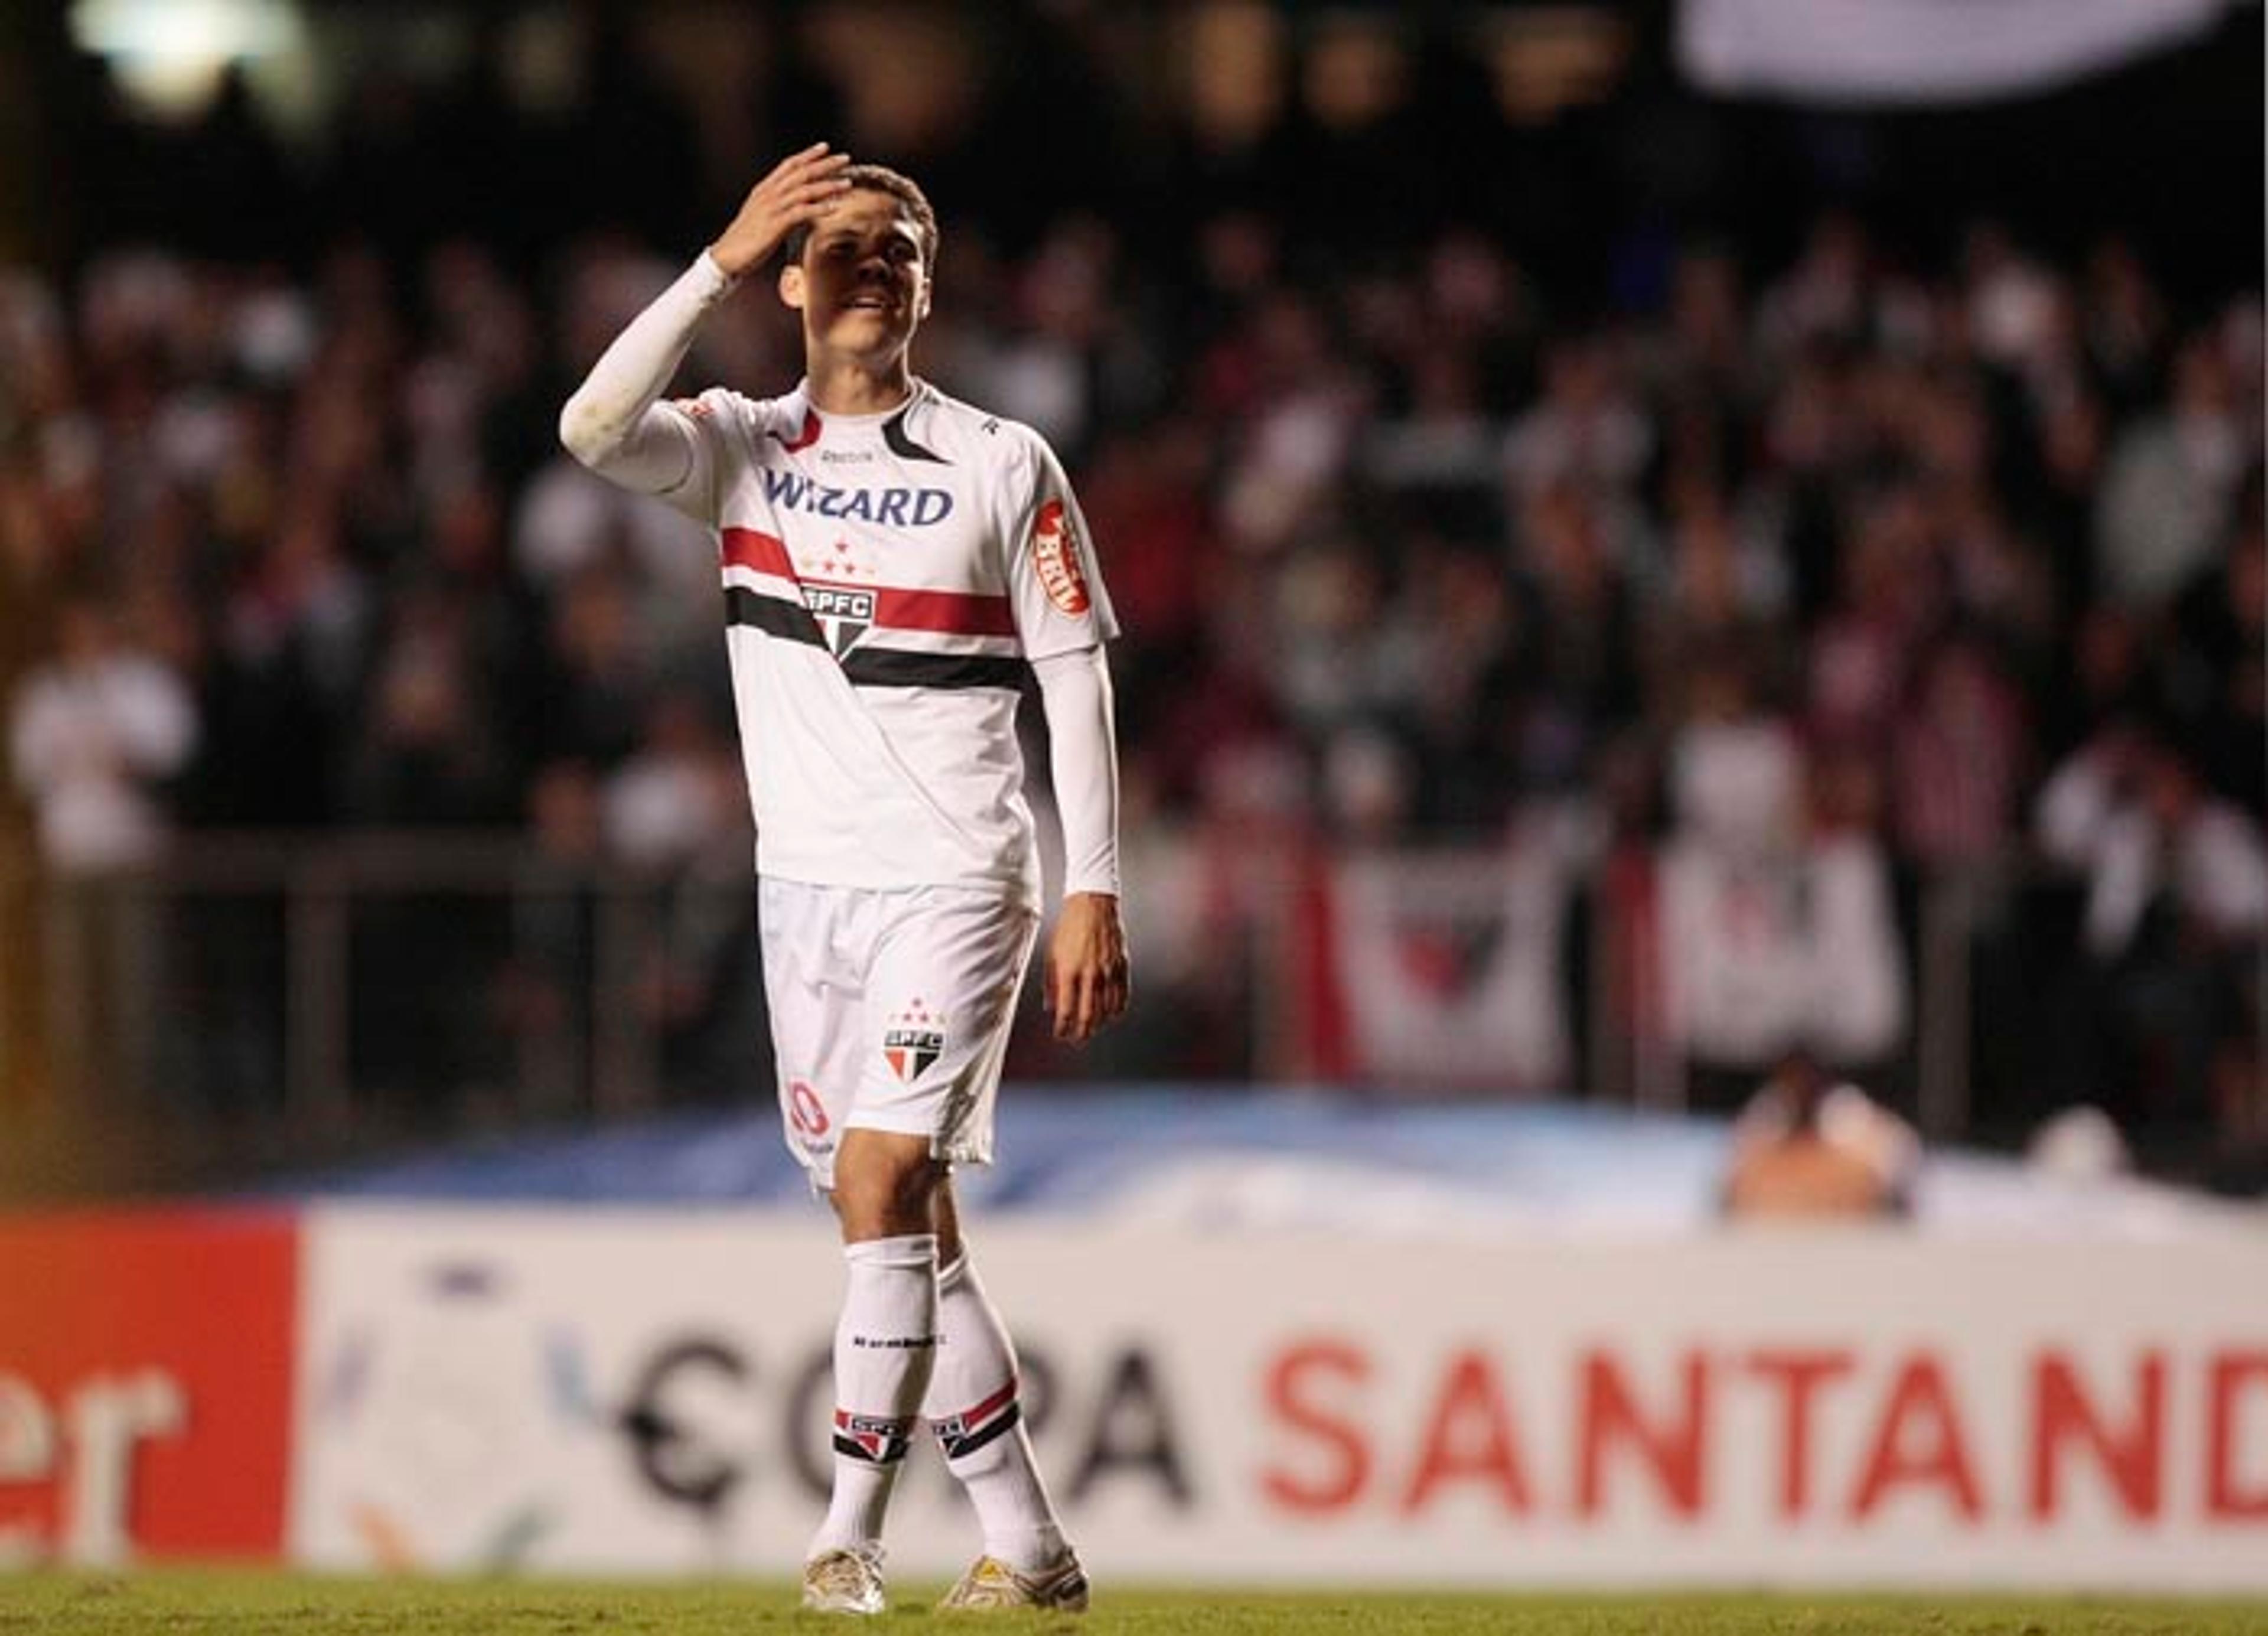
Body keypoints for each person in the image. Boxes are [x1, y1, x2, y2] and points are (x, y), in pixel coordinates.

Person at [559, 145, 1129, 1614]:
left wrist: (1093, 885)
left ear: (929, 287)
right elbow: (587, 426)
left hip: (958, 876)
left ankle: (845, 1537)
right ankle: (1033, 1544)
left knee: (883, 1174)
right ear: (797, 281)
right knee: (906, 1230)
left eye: (902, 246)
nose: (874, 263)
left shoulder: (1005, 462)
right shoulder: (742, 446)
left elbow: (1074, 682)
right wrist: (716, 260)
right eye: (846, 245)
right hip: (803, 893)